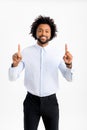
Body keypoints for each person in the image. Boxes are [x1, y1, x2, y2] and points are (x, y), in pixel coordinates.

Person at [8, 15, 73, 130]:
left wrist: (68, 64)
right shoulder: (26, 52)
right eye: (40, 30)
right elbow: (12, 77)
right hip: (31, 102)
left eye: (47, 31)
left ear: (51, 33)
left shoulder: (57, 53)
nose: (43, 33)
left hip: (51, 102)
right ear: (35, 32)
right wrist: (15, 64)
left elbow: (68, 77)